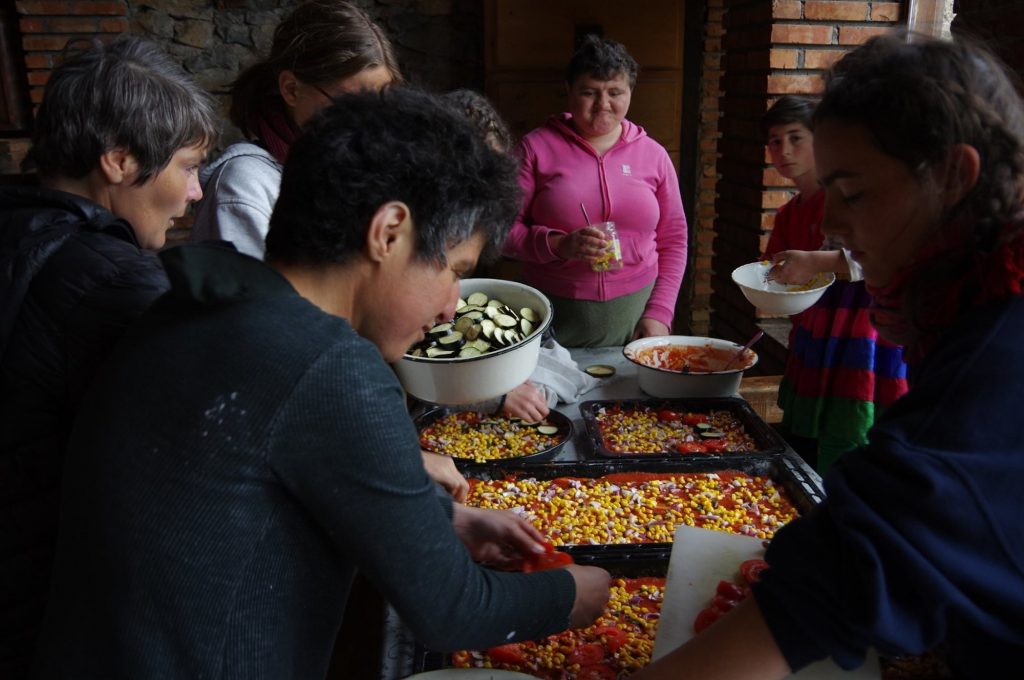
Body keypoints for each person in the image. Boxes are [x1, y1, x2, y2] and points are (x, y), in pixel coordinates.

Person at [35, 87, 612, 678]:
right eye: (454, 271)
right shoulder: (327, 365)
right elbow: (451, 609)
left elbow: (262, 487)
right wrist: (576, 592)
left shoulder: (208, 299)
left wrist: (443, 523)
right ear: (388, 232)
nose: (448, 308)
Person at [633, 32, 1024, 680]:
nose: (833, 225)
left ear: (956, 177)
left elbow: (838, 576)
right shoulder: (967, 303)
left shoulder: (988, 367)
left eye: (853, 193)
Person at [0, 36, 217, 677]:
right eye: (187, 167)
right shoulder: (113, 283)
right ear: (119, 162)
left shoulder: (18, 219)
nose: (196, 193)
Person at [501, 34, 688, 347]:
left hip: (635, 313)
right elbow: (502, 231)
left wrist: (660, 312)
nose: (604, 104)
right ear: (569, 91)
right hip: (550, 312)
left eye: (615, 92)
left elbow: (674, 238)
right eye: (589, 92)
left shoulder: (654, 155)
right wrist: (558, 245)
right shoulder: (536, 148)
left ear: (631, 92)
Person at [760, 95, 908, 473]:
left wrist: (816, 261)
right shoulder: (788, 212)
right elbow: (773, 269)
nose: (784, 150)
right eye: (775, 141)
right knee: (804, 444)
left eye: (796, 138)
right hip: (811, 334)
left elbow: (885, 253)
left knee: (849, 440)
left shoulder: (850, 195)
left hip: (857, 334)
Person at [190, 0, 400, 259]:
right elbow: (256, 298)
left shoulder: (356, 175)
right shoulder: (245, 186)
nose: (368, 122)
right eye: (351, 104)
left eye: (379, 104)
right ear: (291, 89)